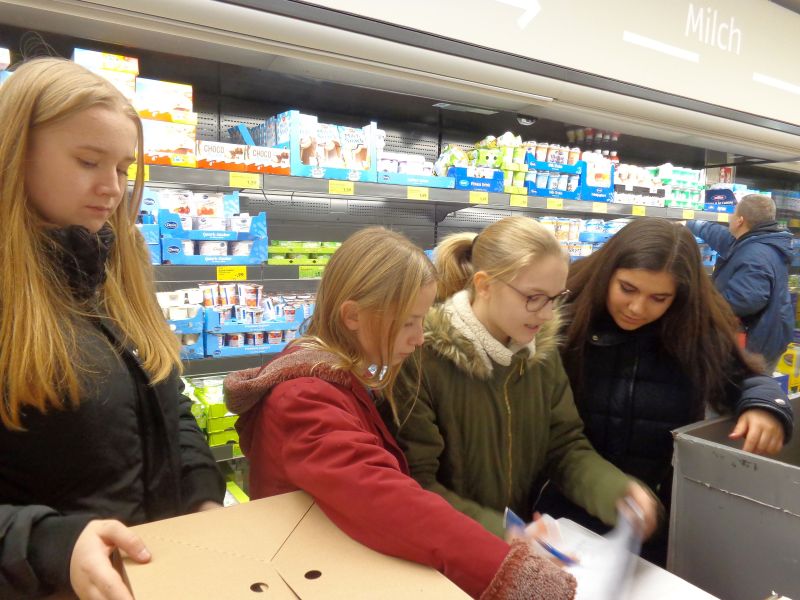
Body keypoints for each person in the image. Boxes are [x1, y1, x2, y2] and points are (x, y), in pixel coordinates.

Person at [225, 227, 577, 599]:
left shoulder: (334, 377)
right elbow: (386, 500)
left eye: (422, 320)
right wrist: (513, 575)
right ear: (353, 316)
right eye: (408, 322)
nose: (419, 337)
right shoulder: (305, 397)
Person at [0, 58, 225, 599]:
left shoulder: (116, 279)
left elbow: (170, 405)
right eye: (88, 161)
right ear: (14, 155)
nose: (113, 188)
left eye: (124, 168)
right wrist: (53, 544)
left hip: (159, 575)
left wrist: (201, 496)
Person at [389, 216, 659, 545]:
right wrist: (503, 532)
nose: (546, 314)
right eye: (533, 297)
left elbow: (564, 447)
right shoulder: (420, 360)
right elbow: (416, 483)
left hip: (515, 547)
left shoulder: (539, 357)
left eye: (555, 297)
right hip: (446, 549)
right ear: (485, 285)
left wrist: (617, 493)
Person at [541, 217, 793, 565]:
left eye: (658, 298)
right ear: (607, 274)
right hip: (563, 500)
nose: (637, 308)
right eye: (627, 289)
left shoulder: (696, 329)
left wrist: (764, 405)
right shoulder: (565, 315)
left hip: (650, 511)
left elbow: (745, 377)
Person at [687, 194, 794, 370]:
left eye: (733, 213)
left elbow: (745, 300)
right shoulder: (757, 242)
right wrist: (692, 225)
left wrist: (700, 301)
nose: (730, 217)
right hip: (764, 336)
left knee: (740, 392)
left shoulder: (756, 255)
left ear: (740, 221)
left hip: (754, 346)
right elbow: (723, 238)